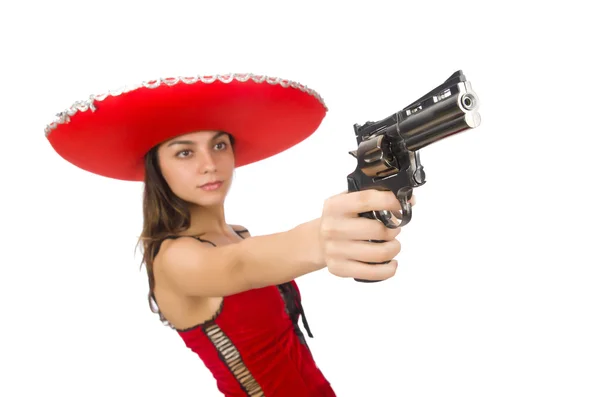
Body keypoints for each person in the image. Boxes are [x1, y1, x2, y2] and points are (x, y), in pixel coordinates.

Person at [45, 73, 415, 397]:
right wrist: (326, 237)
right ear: (156, 167)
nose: (209, 164)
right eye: (185, 153)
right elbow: (241, 265)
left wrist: (378, 204)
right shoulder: (175, 258)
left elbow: (257, 255)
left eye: (219, 145)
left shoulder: (238, 234)